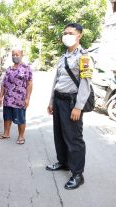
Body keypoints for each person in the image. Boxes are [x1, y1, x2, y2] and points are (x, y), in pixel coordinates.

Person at [46, 23, 93, 190]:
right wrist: (51, 101)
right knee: (59, 134)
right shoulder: (64, 56)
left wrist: (78, 107)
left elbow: (85, 84)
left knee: (74, 139)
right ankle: (64, 162)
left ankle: (78, 174)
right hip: (59, 100)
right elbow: (56, 81)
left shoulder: (84, 57)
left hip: (72, 103)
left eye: (70, 33)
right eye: (65, 33)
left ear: (79, 35)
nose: (66, 35)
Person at [0, 48, 33, 145]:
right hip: (8, 98)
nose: (15, 56)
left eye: (17, 55)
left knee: (20, 118)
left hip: (19, 99)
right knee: (7, 117)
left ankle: (21, 136)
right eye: (13, 55)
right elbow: (4, 83)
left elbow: (29, 84)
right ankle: (6, 133)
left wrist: (27, 98)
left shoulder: (26, 68)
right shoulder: (9, 69)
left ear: (22, 55)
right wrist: (1, 96)